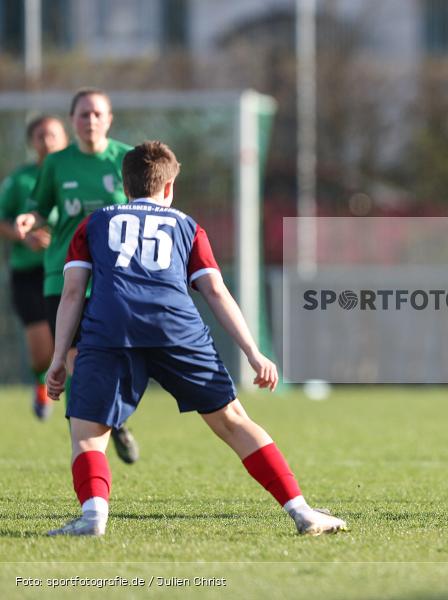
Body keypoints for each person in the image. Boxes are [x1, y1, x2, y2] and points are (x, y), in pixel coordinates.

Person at [45, 141, 347, 537]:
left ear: (124, 185)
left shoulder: (94, 223)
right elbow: (215, 291)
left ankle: (93, 517)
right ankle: (302, 511)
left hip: (111, 328)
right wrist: (253, 352)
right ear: (169, 187)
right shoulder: (187, 226)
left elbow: (72, 293)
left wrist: (57, 359)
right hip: (176, 327)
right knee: (233, 421)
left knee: (88, 435)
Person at [16, 88, 140, 463]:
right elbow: (40, 208)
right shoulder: (56, 163)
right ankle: (84, 434)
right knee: (74, 359)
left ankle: (115, 419)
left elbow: (146, 210)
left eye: (98, 113)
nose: (91, 120)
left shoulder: (127, 159)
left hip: (114, 277)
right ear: (72, 120)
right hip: (64, 275)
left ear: (109, 119)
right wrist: (29, 220)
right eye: (84, 114)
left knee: (116, 357)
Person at [0, 115, 68, 419]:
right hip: (29, 273)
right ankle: (41, 382)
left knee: (73, 345)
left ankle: (86, 408)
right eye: (41, 136)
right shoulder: (20, 180)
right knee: (42, 353)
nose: (47, 141)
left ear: (65, 138)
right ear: (32, 142)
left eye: (53, 135)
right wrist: (22, 236)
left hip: (68, 271)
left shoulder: (74, 175)